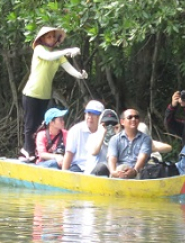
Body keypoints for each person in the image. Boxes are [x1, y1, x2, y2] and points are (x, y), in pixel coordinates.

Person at [20, 27, 88, 162]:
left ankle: (39, 152)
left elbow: (69, 69)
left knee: (41, 125)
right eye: (48, 37)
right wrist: (68, 50)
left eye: (53, 37)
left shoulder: (59, 55)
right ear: (43, 39)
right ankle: (28, 152)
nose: (51, 39)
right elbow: (49, 56)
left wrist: (80, 75)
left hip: (45, 95)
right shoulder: (39, 50)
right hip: (31, 93)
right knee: (30, 125)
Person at [107, 109, 153, 179]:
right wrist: (115, 173)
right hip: (118, 173)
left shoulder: (146, 139)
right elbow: (112, 159)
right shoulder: (114, 139)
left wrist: (134, 171)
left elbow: (142, 158)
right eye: (130, 117)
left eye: (136, 117)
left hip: (138, 173)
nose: (133, 119)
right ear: (122, 122)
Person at [61, 100, 104, 172]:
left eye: (94, 114)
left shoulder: (105, 131)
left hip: (97, 169)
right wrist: (63, 174)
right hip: (79, 166)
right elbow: (69, 154)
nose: (90, 117)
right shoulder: (76, 130)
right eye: (88, 113)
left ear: (101, 117)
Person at [83, 108, 119, 176]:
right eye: (106, 124)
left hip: (112, 177)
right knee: (102, 167)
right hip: (93, 176)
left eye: (113, 124)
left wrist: (118, 135)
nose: (109, 127)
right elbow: (94, 152)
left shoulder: (121, 140)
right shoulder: (93, 137)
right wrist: (102, 134)